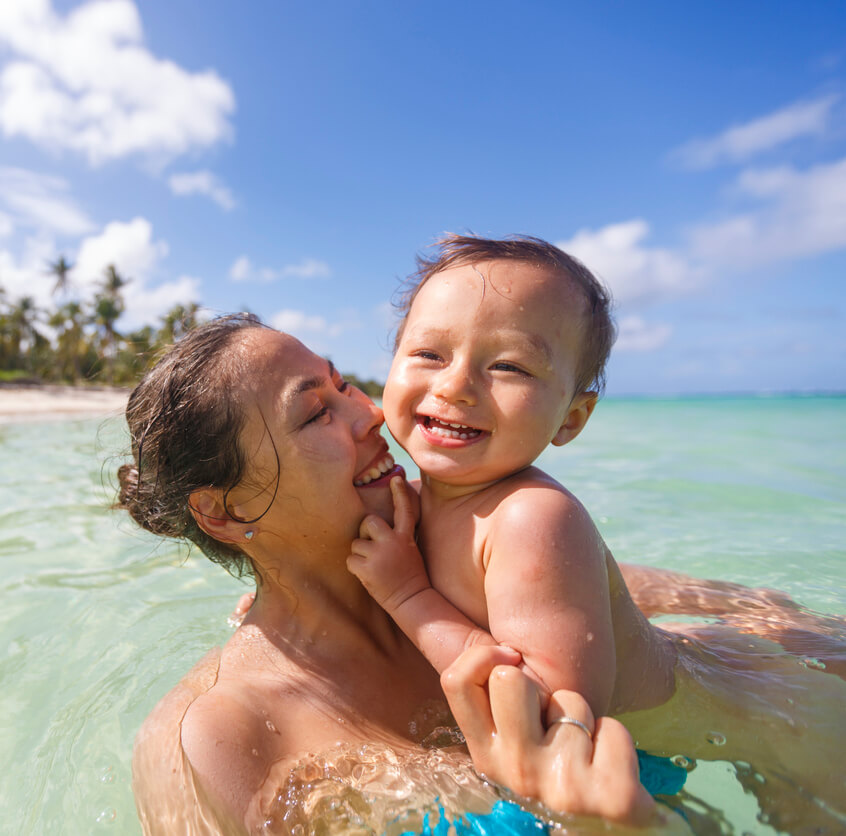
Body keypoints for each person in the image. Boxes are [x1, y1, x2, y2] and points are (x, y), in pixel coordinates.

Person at [348, 235, 846, 831]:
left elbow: (549, 716)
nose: (455, 385)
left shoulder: (532, 517)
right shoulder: (418, 500)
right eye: (429, 354)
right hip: (696, 667)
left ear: (571, 419)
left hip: (770, 718)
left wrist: (407, 599)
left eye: (507, 365)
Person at [118, 314, 683, 834]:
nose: (373, 414)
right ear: (225, 510)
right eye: (317, 413)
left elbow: (615, 591)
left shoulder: (457, 539)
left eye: (343, 387)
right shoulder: (222, 737)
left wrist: (753, 611)